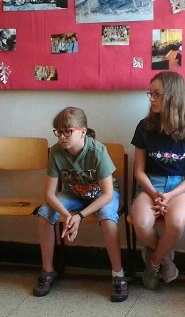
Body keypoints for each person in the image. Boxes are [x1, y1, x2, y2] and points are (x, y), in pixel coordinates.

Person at [34, 107, 128, 302]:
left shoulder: (97, 151)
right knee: (44, 213)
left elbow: (108, 194)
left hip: (101, 195)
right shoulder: (56, 152)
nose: (62, 137)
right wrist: (67, 215)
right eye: (58, 132)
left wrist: (79, 216)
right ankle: (48, 271)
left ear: (83, 132)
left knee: (108, 218)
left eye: (68, 131)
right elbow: (49, 194)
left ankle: (118, 274)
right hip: (73, 194)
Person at [130, 71, 185, 289]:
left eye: (157, 94)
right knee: (141, 224)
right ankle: (167, 259)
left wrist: (170, 195)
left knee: (176, 224)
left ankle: (153, 263)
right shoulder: (144, 126)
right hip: (149, 185)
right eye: (150, 94)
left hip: (179, 187)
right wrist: (154, 194)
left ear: (173, 96)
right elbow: (139, 171)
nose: (152, 99)